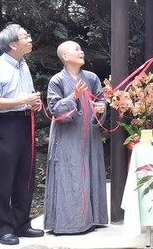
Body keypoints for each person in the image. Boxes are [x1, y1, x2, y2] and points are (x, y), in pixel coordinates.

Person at [0, 24, 44, 245]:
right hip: (4, 125)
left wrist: (33, 103)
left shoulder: (23, 65)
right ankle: (2, 228)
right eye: (25, 36)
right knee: (4, 176)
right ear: (12, 44)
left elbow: (23, 96)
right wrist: (23, 101)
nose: (29, 39)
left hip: (25, 122)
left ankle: (22, 223)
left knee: (25, 175)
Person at [44, 40, 109, 235]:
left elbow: (101, 100)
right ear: (65, 56)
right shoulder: (57, 80)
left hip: (89, 136)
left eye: (81, 49)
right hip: (67, 138)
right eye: (76, 49)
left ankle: (93, 219)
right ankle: (68, 223)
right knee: (70, 175)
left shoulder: (91, 77)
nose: (81, 52)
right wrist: (74, 96)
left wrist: (101, 108)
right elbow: (54, 110)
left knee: (91, 171)